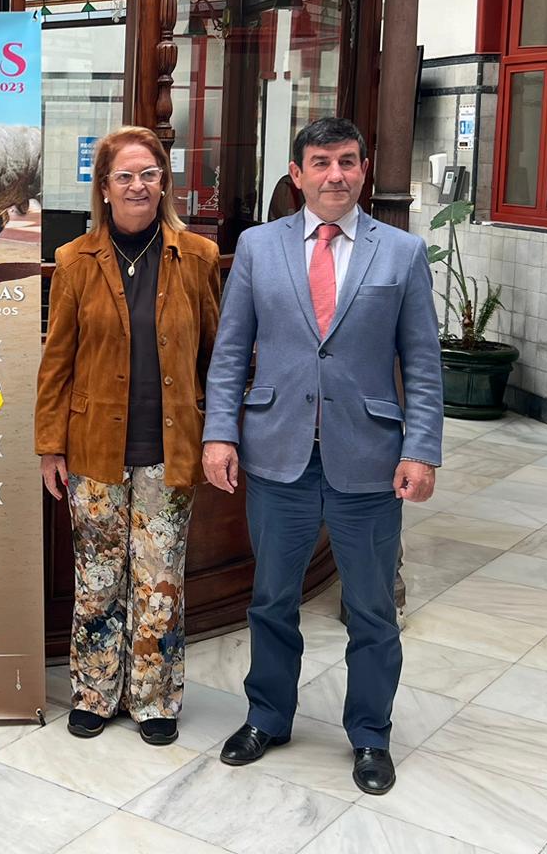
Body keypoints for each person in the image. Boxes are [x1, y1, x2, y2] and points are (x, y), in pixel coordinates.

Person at [202, 116, 441, 796]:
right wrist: (220, 432)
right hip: (276, 453)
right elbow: (230, 354)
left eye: (346, 161)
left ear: (363, 169)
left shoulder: (401, 254)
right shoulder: (256, 247)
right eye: (320, 162)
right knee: (271, 600)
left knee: (370, 609)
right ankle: (268, 716)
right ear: (297, 174)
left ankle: (370, 734)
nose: (334, 174)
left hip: (369, 456)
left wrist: (422, 449)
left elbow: (422, 364)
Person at [37, 126, 221, 746]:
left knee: (159, 573)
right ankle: (94, 691)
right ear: (105, 187)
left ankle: (155, 696)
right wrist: (49, 446)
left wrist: (219, 433)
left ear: (163, 181)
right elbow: (57, 361)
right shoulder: (74, 260)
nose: (138, 186)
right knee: (96, 574)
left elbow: (216, 358)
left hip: (170, 446)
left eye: (149, 174)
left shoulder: (195, 256)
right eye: (125, 176)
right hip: (93, 447)